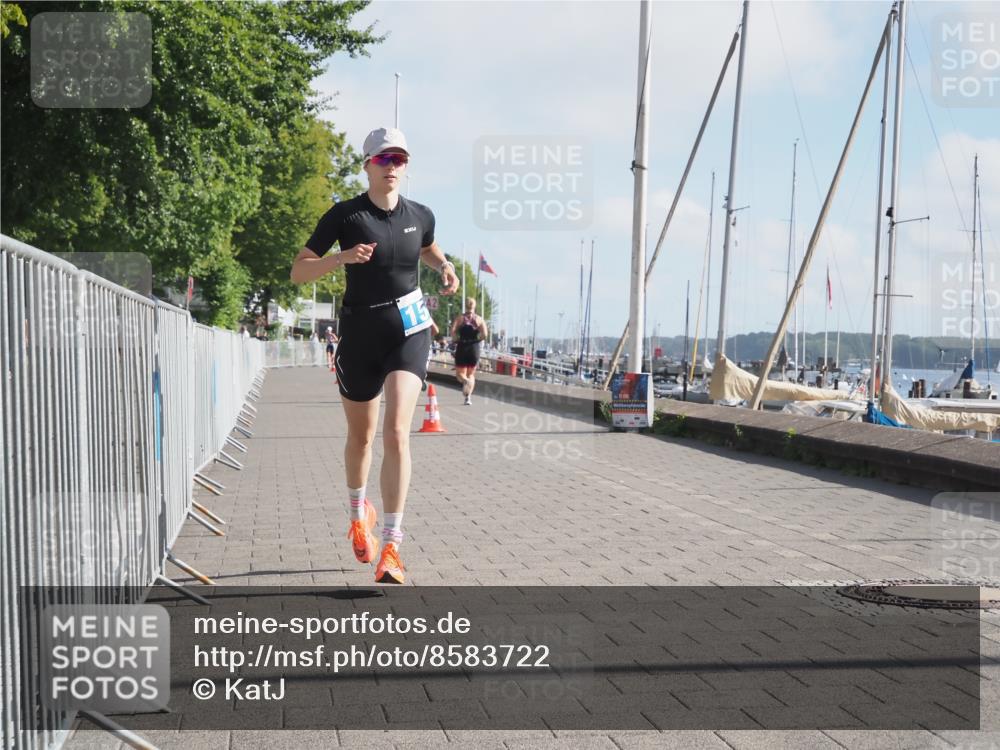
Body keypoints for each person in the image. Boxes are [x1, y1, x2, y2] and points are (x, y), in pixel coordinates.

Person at [290, 126, 459, 584]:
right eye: (385, 159)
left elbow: (425, 247)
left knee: (397, 433)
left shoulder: (421, 214)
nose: (393, 167)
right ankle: (356, 512)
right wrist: (339, 260)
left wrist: (443, 266)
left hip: (409, 330)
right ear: (367, 164)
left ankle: (392, 547)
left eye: (400, 159)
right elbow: (298, 271)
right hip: (360, 331)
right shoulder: (344, 216)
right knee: (362, 439)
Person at [450, 297, 488, 405]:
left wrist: (456, 338)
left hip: (462, 346)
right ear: (474, 306)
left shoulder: (460, 318)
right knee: (471, 374)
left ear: (465, 305)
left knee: (460, 374)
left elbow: (452, 331)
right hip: (474, 347)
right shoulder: (479, 319)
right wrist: (478, 339)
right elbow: (485, 334)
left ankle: (465, 381)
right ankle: (468, 398)